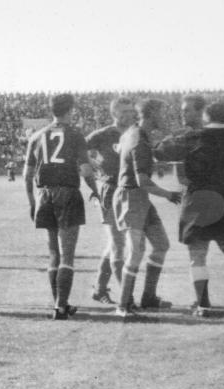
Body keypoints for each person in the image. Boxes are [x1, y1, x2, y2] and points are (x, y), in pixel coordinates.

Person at [167, 102, 224, 316]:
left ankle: (203, 305)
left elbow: (162, 152)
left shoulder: (194, 136)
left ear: (206, 116)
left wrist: (176, 135)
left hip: (199, 200)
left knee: (198, 254)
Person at [24, 94, 93, 320]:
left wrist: (32, 202)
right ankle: (61, 307)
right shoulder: (74, 134)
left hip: (44, 193)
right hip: (67, 193)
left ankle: (58, 302)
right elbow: (85, 168)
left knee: (53, 253)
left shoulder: (36, 136)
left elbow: (27, 174)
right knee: (68, 255)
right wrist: (96, 190)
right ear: (70, 110)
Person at [113, 98, 182, 317]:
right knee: (136, 252)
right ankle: (122, 306)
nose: (164, 117)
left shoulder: (135, 134)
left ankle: (148, 297)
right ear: (151, 115)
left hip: (139, 197)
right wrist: (169, 194)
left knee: (161, 244)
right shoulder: (138, 139)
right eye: (161, 113)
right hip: (131, 197)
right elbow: (141, 180)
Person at [84, 97, 136, 305]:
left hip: (131, 192)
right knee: (118, 242)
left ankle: (100, 288)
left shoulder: (135, 133)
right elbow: (80, 152)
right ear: (114, 113)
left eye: (130, 111)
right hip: (110, 191)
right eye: (123, 111)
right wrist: (96, 167)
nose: (128, 114)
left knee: (117, 243)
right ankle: (127, 298)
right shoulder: (103, 135)